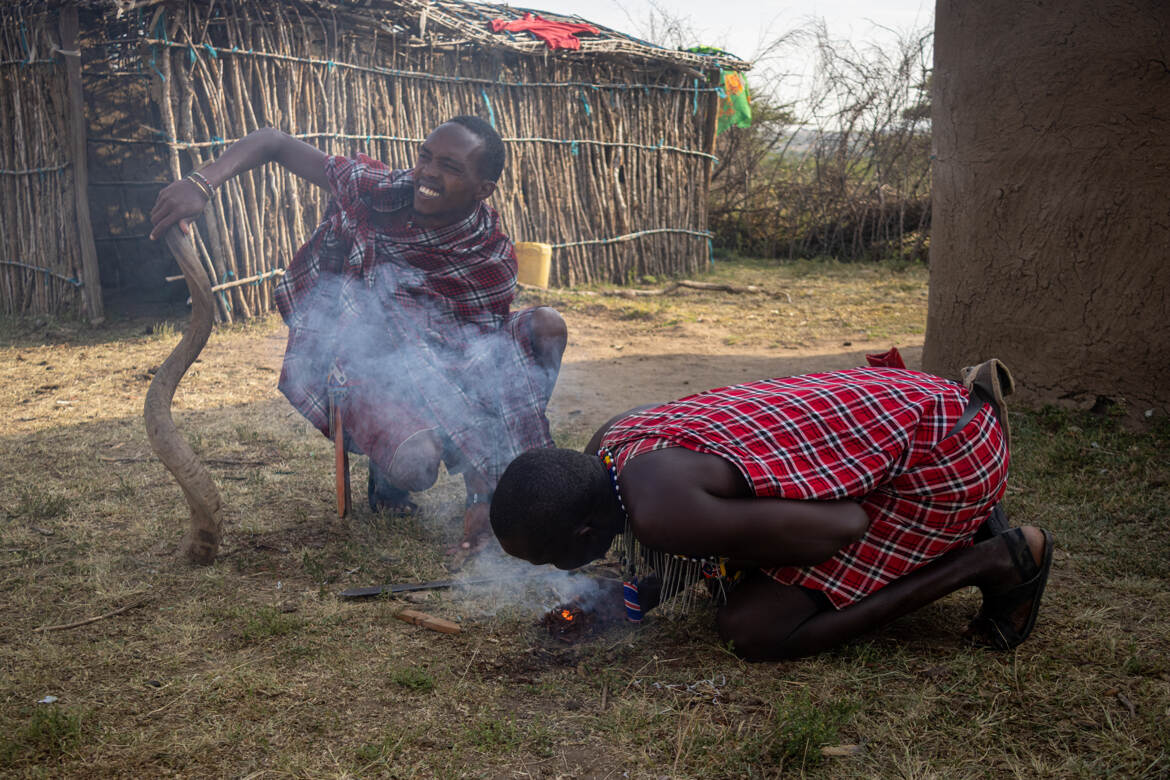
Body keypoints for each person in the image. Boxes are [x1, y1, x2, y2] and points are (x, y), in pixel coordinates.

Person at [150, 117, 567, 553]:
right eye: (425, 156)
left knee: (547, 326)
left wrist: (485, 496)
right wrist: (201, 182)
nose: (427, 173)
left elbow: (485, 371)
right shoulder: (377, 193)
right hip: (370, 364)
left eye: (450, 166)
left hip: (447, 369)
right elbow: (272, 141)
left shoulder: (487, 254)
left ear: (484, 188)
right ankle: (388, 478)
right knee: (415, 465)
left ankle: (484, 485)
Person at [490, 366, 1054, 660]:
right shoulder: (609, 444)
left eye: (552, 559)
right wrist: (637, 598)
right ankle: (962, 526)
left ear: (585, 530)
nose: (560, 572)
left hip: (951, 457)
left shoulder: (659, 511)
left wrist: (729, 561)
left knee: (753, 626)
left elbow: (844, 525)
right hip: (928, 405)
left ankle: (993, 560)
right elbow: (722, 509)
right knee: (739, 574)